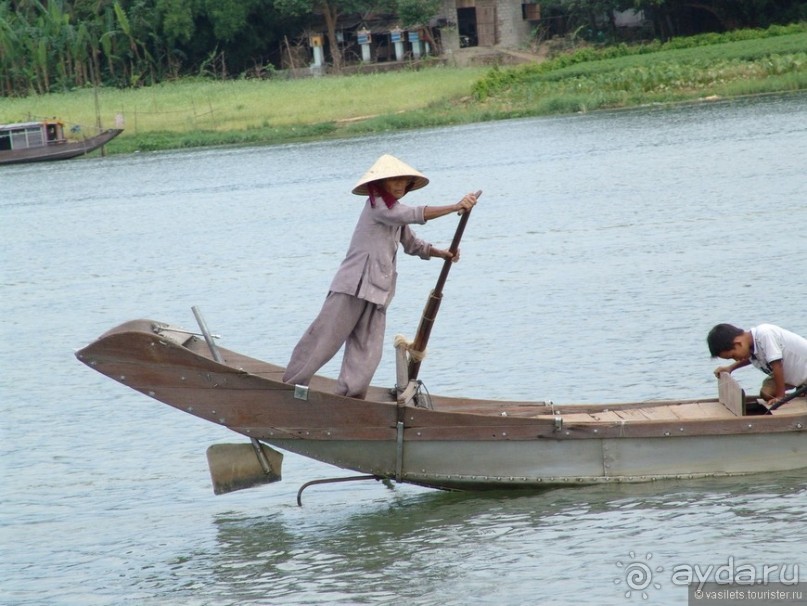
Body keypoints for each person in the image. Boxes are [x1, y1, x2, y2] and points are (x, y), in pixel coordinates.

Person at [282, 154, 480, 399]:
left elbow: (412, 244)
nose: (399, 185)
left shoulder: (395, 213)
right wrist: (455, 207)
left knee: (368, 351)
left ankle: (350, 398)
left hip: (378, 292)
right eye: (394, 180)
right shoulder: (378, 206)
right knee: (325, 338)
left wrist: (441, 253)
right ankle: (291, 385)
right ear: (381, 183)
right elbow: (412, 213)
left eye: (403, 181)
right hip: (352, 287)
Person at [707, 323, 807, 406]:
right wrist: (730, 368)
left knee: (777, 393)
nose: (736, 359)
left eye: (733, 356)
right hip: (792, 373)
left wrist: (780, 397)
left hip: (800, 368)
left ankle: (802, 387)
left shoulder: (765, 334)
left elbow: (777, 365)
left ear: (738, 343)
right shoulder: (750, 346)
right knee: (766, 393)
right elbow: (748, 358)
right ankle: (801, 388)